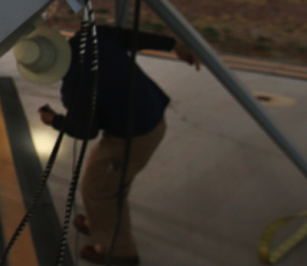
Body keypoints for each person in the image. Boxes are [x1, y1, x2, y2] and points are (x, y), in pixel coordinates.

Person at [38, 24, 198, 265]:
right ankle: (99, 224)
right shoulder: (91, 37)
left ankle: (121, 253)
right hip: (152, 114)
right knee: (109, 183)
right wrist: (172, 44)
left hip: (133, 137)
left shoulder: (74, 87)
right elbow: (131, 36)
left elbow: (87, 130)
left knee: (98, 189)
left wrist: (55, 120)